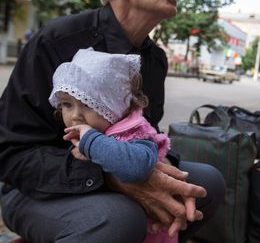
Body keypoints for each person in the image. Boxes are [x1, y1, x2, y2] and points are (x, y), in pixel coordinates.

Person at [0, 0, 225, 242]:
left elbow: (143, 131)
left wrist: (163, 163)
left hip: (118, 169)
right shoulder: (57, 40)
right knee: (120, 219)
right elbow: (8, 154)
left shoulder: (154, 60)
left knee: (206, 184)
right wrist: (111, 177)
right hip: (35, 188)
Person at [50, 47, 178, 242]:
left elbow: (138, 167)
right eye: (67, 104)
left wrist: (91, 142)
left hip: (151, 234)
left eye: (88, 104)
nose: (75, 115)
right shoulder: (94, 130)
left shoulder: (133, 132)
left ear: (114, 105)